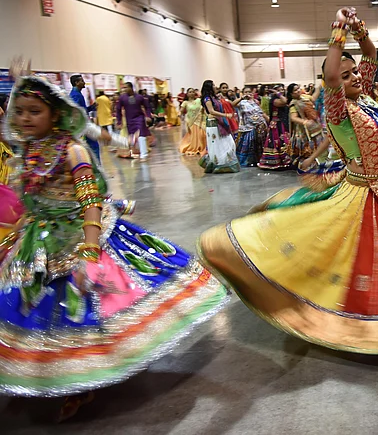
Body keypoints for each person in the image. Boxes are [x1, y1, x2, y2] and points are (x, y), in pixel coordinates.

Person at [199, 7, 378, 354]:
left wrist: (360, 31)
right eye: (345, 76)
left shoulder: (366, 98)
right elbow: (331, 77)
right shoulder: (339, 109)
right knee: (373, 259)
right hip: (365, 194)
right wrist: (337, 31)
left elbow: (371, 55)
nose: (353, 78)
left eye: (354, 72)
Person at [0, 74, 227, 418]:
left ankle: (85, 379)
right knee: (40, 312)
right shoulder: (28, 148)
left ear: (55, 115)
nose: (25, 118)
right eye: (20, 111)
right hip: (39, 239)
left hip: (80, 236)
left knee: (85, 311)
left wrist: (89, 254)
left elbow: (90, 200)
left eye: (35, 111)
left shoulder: (72, 149)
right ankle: (55, 373)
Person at [199, 80, 239, 173]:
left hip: (220, 122)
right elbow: (211, 111)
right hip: (214, 124)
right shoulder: (207, 99)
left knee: (230, 143)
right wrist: (226, 115)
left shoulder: (214, 97)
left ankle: (225, 163)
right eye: (213, 85)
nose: (215, 86)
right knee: (218, 146)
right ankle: (219, 165)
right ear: (209, 87)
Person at [286, 83, 325, 166]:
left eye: (298, 88)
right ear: (291, 94)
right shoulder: (293, 103)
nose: (298, 90)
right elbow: (293, 117)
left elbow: (313, 98)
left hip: (314, 126)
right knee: (306, 149)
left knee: (319, 144)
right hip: (304, 130)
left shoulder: (305, 97)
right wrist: (305, 122)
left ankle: (318, 162)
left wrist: (318, 88)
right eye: (295, 90)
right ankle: (307, 165)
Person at [258, 86, 292, 170]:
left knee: (284, 141)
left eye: (282, 90)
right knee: (278, 142)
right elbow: (284, 101)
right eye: (279, 90)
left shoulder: (282, 98)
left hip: (282, 124)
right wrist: (277, 93)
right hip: (277, 125)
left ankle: (286, 161)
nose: (281, 92)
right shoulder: (275, 100)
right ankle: (275, 161)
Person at [116, 82, 153, 159]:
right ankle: (134, 152)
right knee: (132, 137)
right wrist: (119, 121)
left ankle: (144, 154)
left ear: (131, 88)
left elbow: (147, 107)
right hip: (129, 120)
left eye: (126, 87)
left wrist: (148, 116)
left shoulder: (139, 97)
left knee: (141, 135)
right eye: (124, 88)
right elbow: (118, 109)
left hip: (139, 118)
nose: (124, 89)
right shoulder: (122, 98)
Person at [69, 74, 101, 162]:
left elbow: (82, 109)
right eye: (82, 81)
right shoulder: (75, 95)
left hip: (84, 124)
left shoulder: (77, 93)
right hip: (83, 125)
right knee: (94, 146)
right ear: (76, 83)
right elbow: (74, 110)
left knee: (92, 145)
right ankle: (97, 168)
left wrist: (91, 107)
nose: (84, 83)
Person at [235, 86, 267, 167]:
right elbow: (232, 104)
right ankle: (248, 161)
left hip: (258, 126)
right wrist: (241, 98)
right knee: (250, 143)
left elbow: (260, 112)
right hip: (247, 127)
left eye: (249, 92)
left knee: (258, 144)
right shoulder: (241, 103)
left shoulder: (255, 102)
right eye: (245, 92)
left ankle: (258, 160)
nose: (248, 94)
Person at [179, 88, 206, 156]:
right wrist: (180, 115)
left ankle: (203, 147)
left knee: (202, 135)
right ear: (187, 94)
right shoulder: (185, 102)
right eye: (190, 92)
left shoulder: (199, 100)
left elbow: (203, 108)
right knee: (195, 136)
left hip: (201, 120)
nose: (191, 93)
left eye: (193, 92)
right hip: (192, 121)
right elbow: (181, 111)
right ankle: (195, 147)